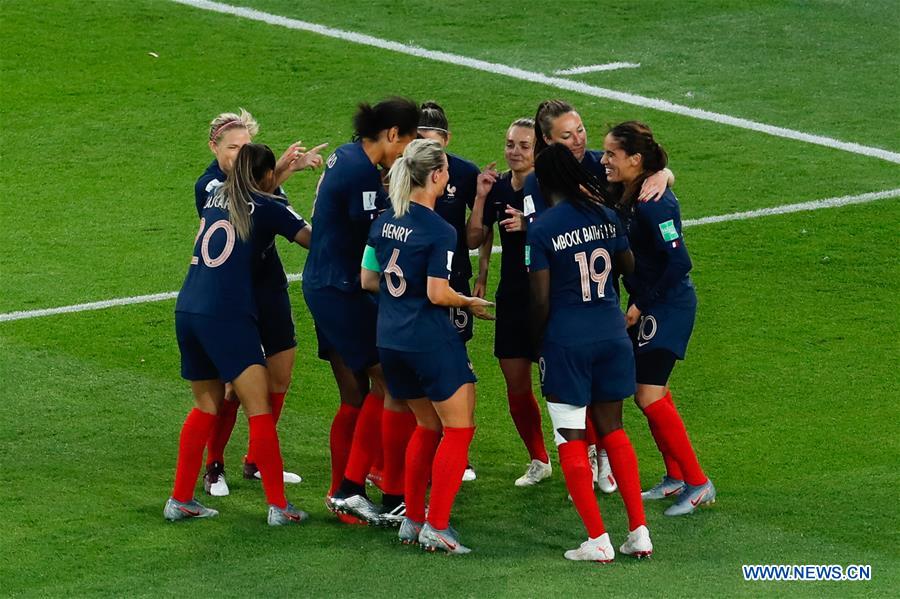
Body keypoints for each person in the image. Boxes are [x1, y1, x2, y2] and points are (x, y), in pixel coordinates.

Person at [525, 99, 674, 493]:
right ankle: (599, 460)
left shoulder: (599, 164)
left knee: (597, 393)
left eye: (580, 131)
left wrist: (663, 173)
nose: (578, 140)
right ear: (547, 140)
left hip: (595, 301)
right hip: (574, 295)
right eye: (567, 135)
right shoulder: (542, 179)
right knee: (590, 392)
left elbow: (638, 164)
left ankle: (602, 458)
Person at [165, 143, 311, 525]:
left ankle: (180, 499)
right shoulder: (267, 206)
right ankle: (279, 506)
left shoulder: (215, 197)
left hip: (188, 308)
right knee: (259, 408)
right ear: (267, 176)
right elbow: (312, 239)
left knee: (206, 406)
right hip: (226, 315)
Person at [361, 139, 491, 553]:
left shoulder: (383, 221)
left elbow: (367, 280)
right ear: (435, 176)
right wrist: (467, 302)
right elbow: (437, 292)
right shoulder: (439, 229)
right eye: (446, 170)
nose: (449, 176)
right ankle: (437, 525)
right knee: (459, 428)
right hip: (428, 339)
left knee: (426, 425)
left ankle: (413, 519)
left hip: (390, 340)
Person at [527, 144, 652, 561]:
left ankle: (597, 539)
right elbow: (629, 266)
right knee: (613, 429)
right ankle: (639, 532)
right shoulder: (605, 215)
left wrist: (537, 339)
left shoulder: (542, 229)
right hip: (612, 335)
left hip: (567, 341)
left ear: (543, 182)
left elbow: (540, 298)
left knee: (571, 436)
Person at [196, 109, 326, 497]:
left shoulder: (261, 183)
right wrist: (281, 174)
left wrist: (279, 174)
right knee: (235, 387)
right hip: (233, 297)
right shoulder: (208, 186)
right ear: (214, 148)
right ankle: (214, 466)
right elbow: (250, 204)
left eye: (246, 148)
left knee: (280, 374)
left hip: (269, 287)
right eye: (233, 148)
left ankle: (257, 460)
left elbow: (266, 203)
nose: (241, 155)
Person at [302, 98, 419, 524]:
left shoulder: (347, 156)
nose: (403, 154)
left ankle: (352, 489)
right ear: (392, 134)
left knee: (364, 391)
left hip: (327, 283)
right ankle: (362, 489)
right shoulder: (361, 172)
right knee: (392, 381)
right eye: (405, 143)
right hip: (341, 289)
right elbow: (379, 233)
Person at [601, 121, 715, 516]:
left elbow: (679, 261)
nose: (605, 160)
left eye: (612, 154)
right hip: (650, 303)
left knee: (648, 394)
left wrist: (640, 304)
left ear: (635, 159)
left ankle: (698, 483)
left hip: (669, 305)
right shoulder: (630, 190)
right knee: (652, 393)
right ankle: (676, 476)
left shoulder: (656, 203)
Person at [466, 117, 553, 487]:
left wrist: (531, 225)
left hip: (549, 297)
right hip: (513, 296)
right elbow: (475, 238)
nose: (514, 152)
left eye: (523, 145)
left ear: (538, 150)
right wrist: (481, 197)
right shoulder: (499, 186)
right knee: (516, 385)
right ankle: (539, 459)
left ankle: (593, 457)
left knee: (562, 387)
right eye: (510, 144)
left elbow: (569, 231)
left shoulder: (549, 186)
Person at [416, 101, 484, 482]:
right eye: (420, 140)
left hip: (452, 282)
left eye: (433, 141)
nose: (427, 149)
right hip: (417, 289)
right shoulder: (403, 172)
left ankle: (456, 451)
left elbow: (477, 235)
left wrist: (483, 275)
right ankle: (432, 449)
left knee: (455, 365)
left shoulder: (466, 173)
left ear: (447, 140)